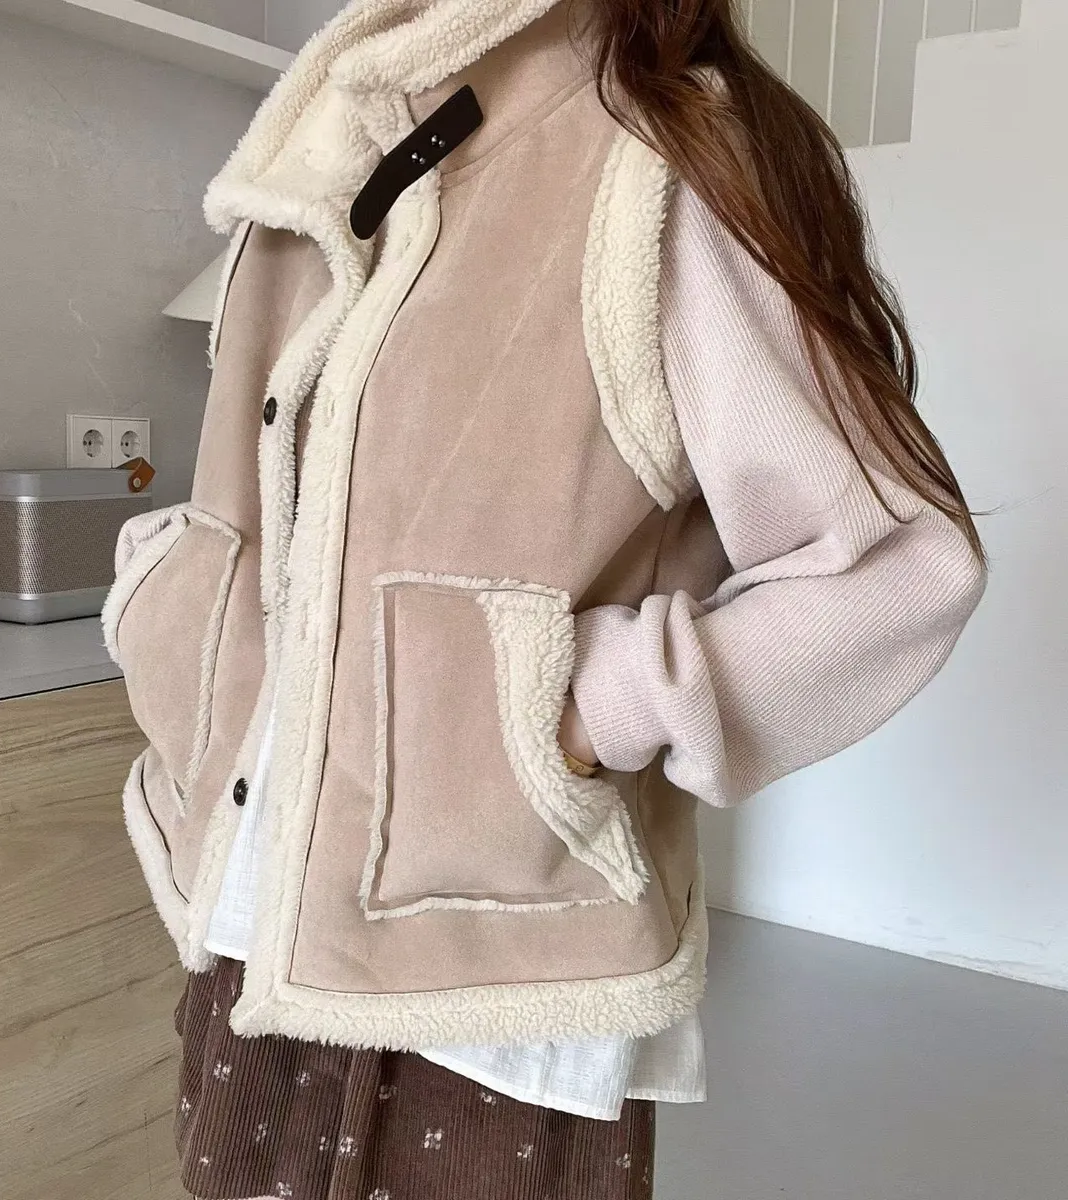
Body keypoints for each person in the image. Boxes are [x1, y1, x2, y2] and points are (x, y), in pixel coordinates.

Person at [102, 0, 987, 1196]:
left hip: (495, 960)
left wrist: (579, 707)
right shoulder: (326, 128)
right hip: (247, 902)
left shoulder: (658, 159)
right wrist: (165, 594)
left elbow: (894, 564)